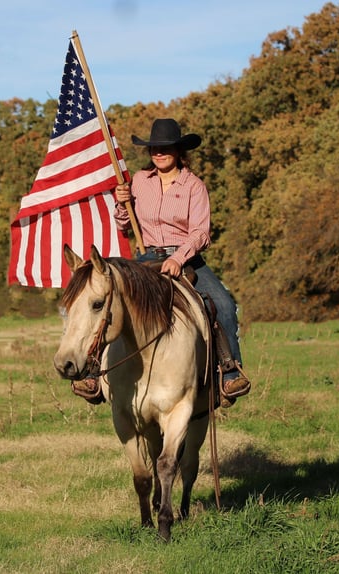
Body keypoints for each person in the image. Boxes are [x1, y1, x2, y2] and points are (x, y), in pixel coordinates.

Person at [113, 118, 251, 407]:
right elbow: (124, 225)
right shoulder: (138, 181)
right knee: (112, 300)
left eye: (165, 148)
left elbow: (201, 231)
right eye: (154, 148)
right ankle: (94, 374)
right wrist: (121, 203)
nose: (158, 153)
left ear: (178, 150)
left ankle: (228, 372)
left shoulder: (194, 186)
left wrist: (178, 257)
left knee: (224, 304)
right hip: (147, 256)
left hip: (187, 257)